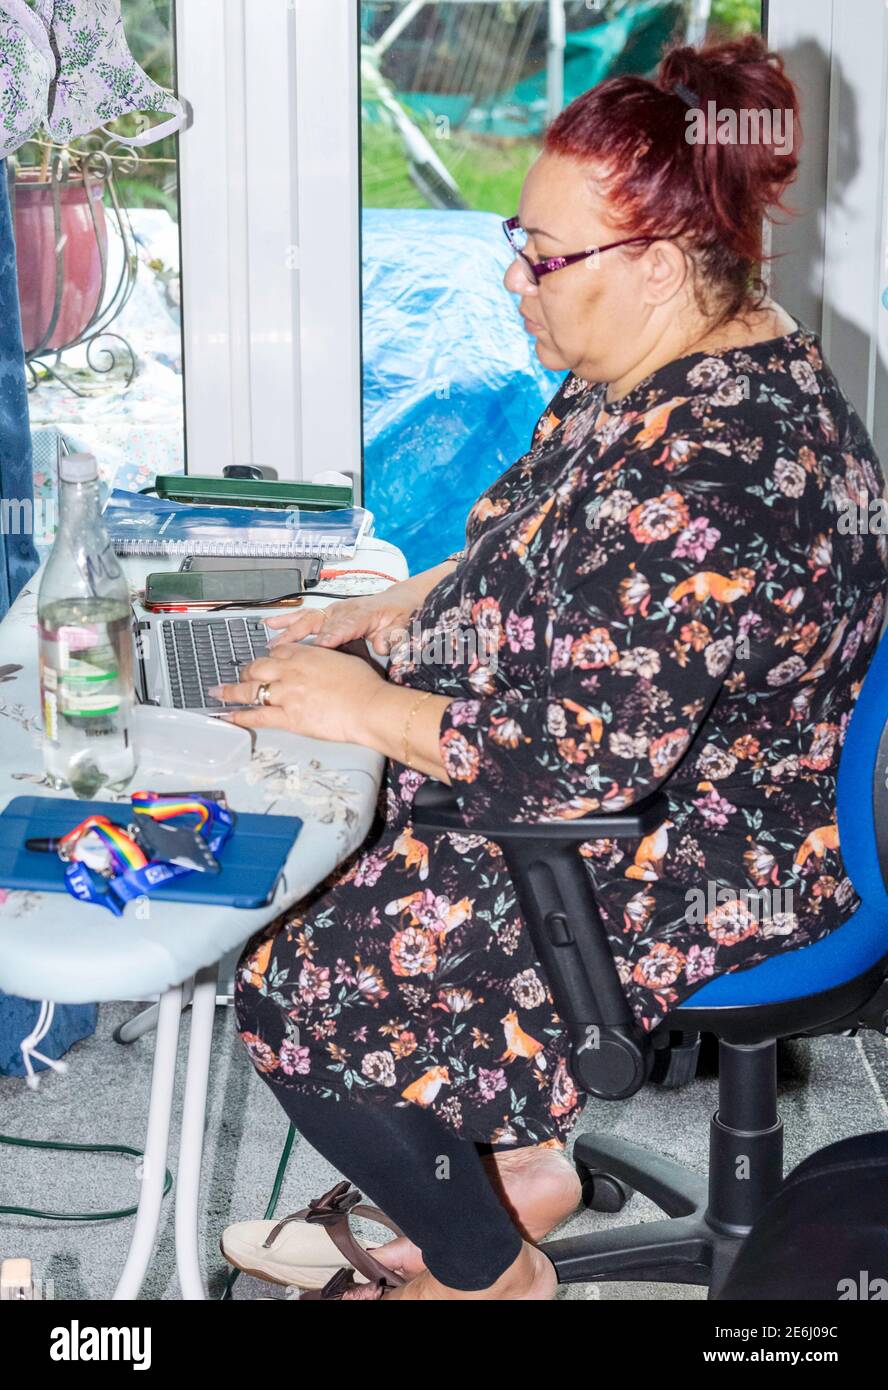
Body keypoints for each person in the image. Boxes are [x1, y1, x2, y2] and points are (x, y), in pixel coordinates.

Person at [217, 34, 888, 1300]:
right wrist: (364, 623)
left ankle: (487, 1270)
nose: (517, 278)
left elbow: (578, 760)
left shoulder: (718, 465)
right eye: (517, 240)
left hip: (711, 839)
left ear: (663, 261)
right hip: (648, 765)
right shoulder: (646, 370)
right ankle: (520, 1161)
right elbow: (521, 549)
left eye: (547, 254)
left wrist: (367, 707)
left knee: (298, 967)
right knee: (323, 793)